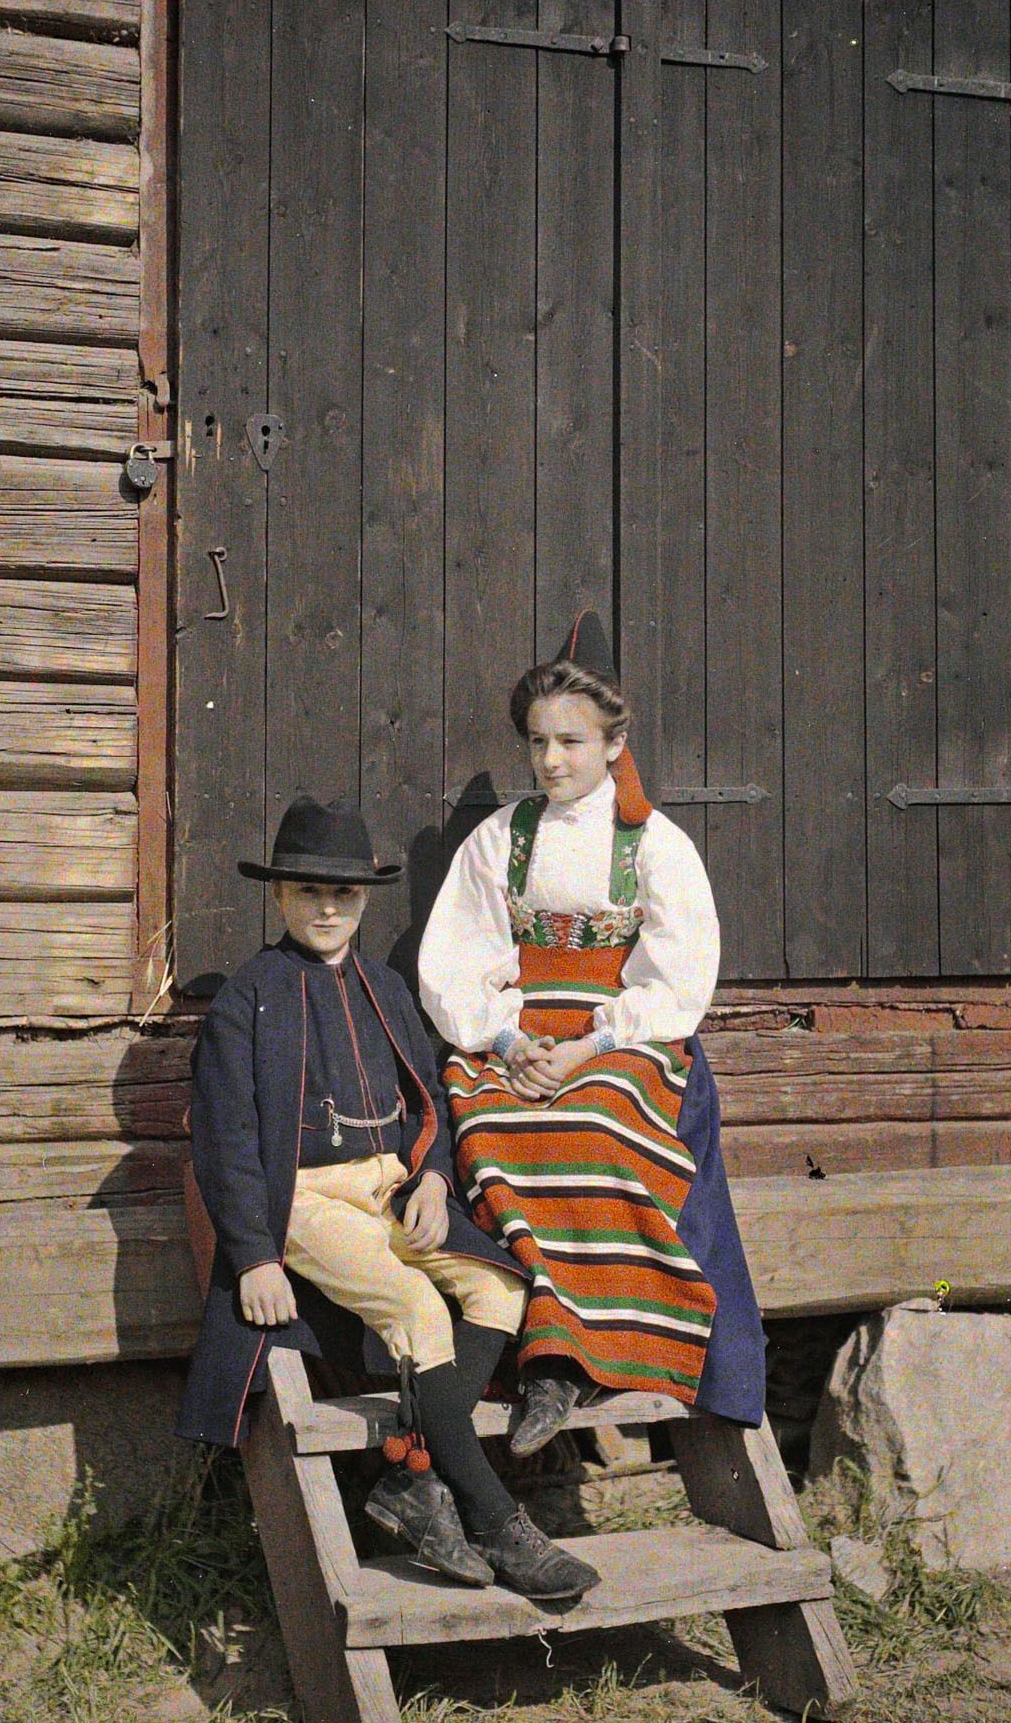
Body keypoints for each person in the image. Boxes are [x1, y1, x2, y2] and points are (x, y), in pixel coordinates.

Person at [175, 794, 600, 1601]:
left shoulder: (385, 988)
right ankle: (497, 1520)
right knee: (418, 1307)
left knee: (501, 1283)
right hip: (300, 1201)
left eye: (342, 894)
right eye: (308, 892)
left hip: (391, 1187)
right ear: (278, 897)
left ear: (364, 900)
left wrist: (436, 1177)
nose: (327, 908)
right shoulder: (247, 1001)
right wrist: (255, 1256)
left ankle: (410, 1476)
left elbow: (427, 1105)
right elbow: (225, 1143)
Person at [419, 613, 766, 1457]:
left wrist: (590, 1045)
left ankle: (574, 1361)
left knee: (589, 1122)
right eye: (537, 743)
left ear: (614, 743)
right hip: (521, 1035)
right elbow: (453, 959)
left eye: (571, 743)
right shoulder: (501, 837)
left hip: (622, 1038)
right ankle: (535, 1344)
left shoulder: (654, 844)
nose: (550, 762)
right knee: (492, 1122)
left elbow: (677, 977)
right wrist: (504, 1043)